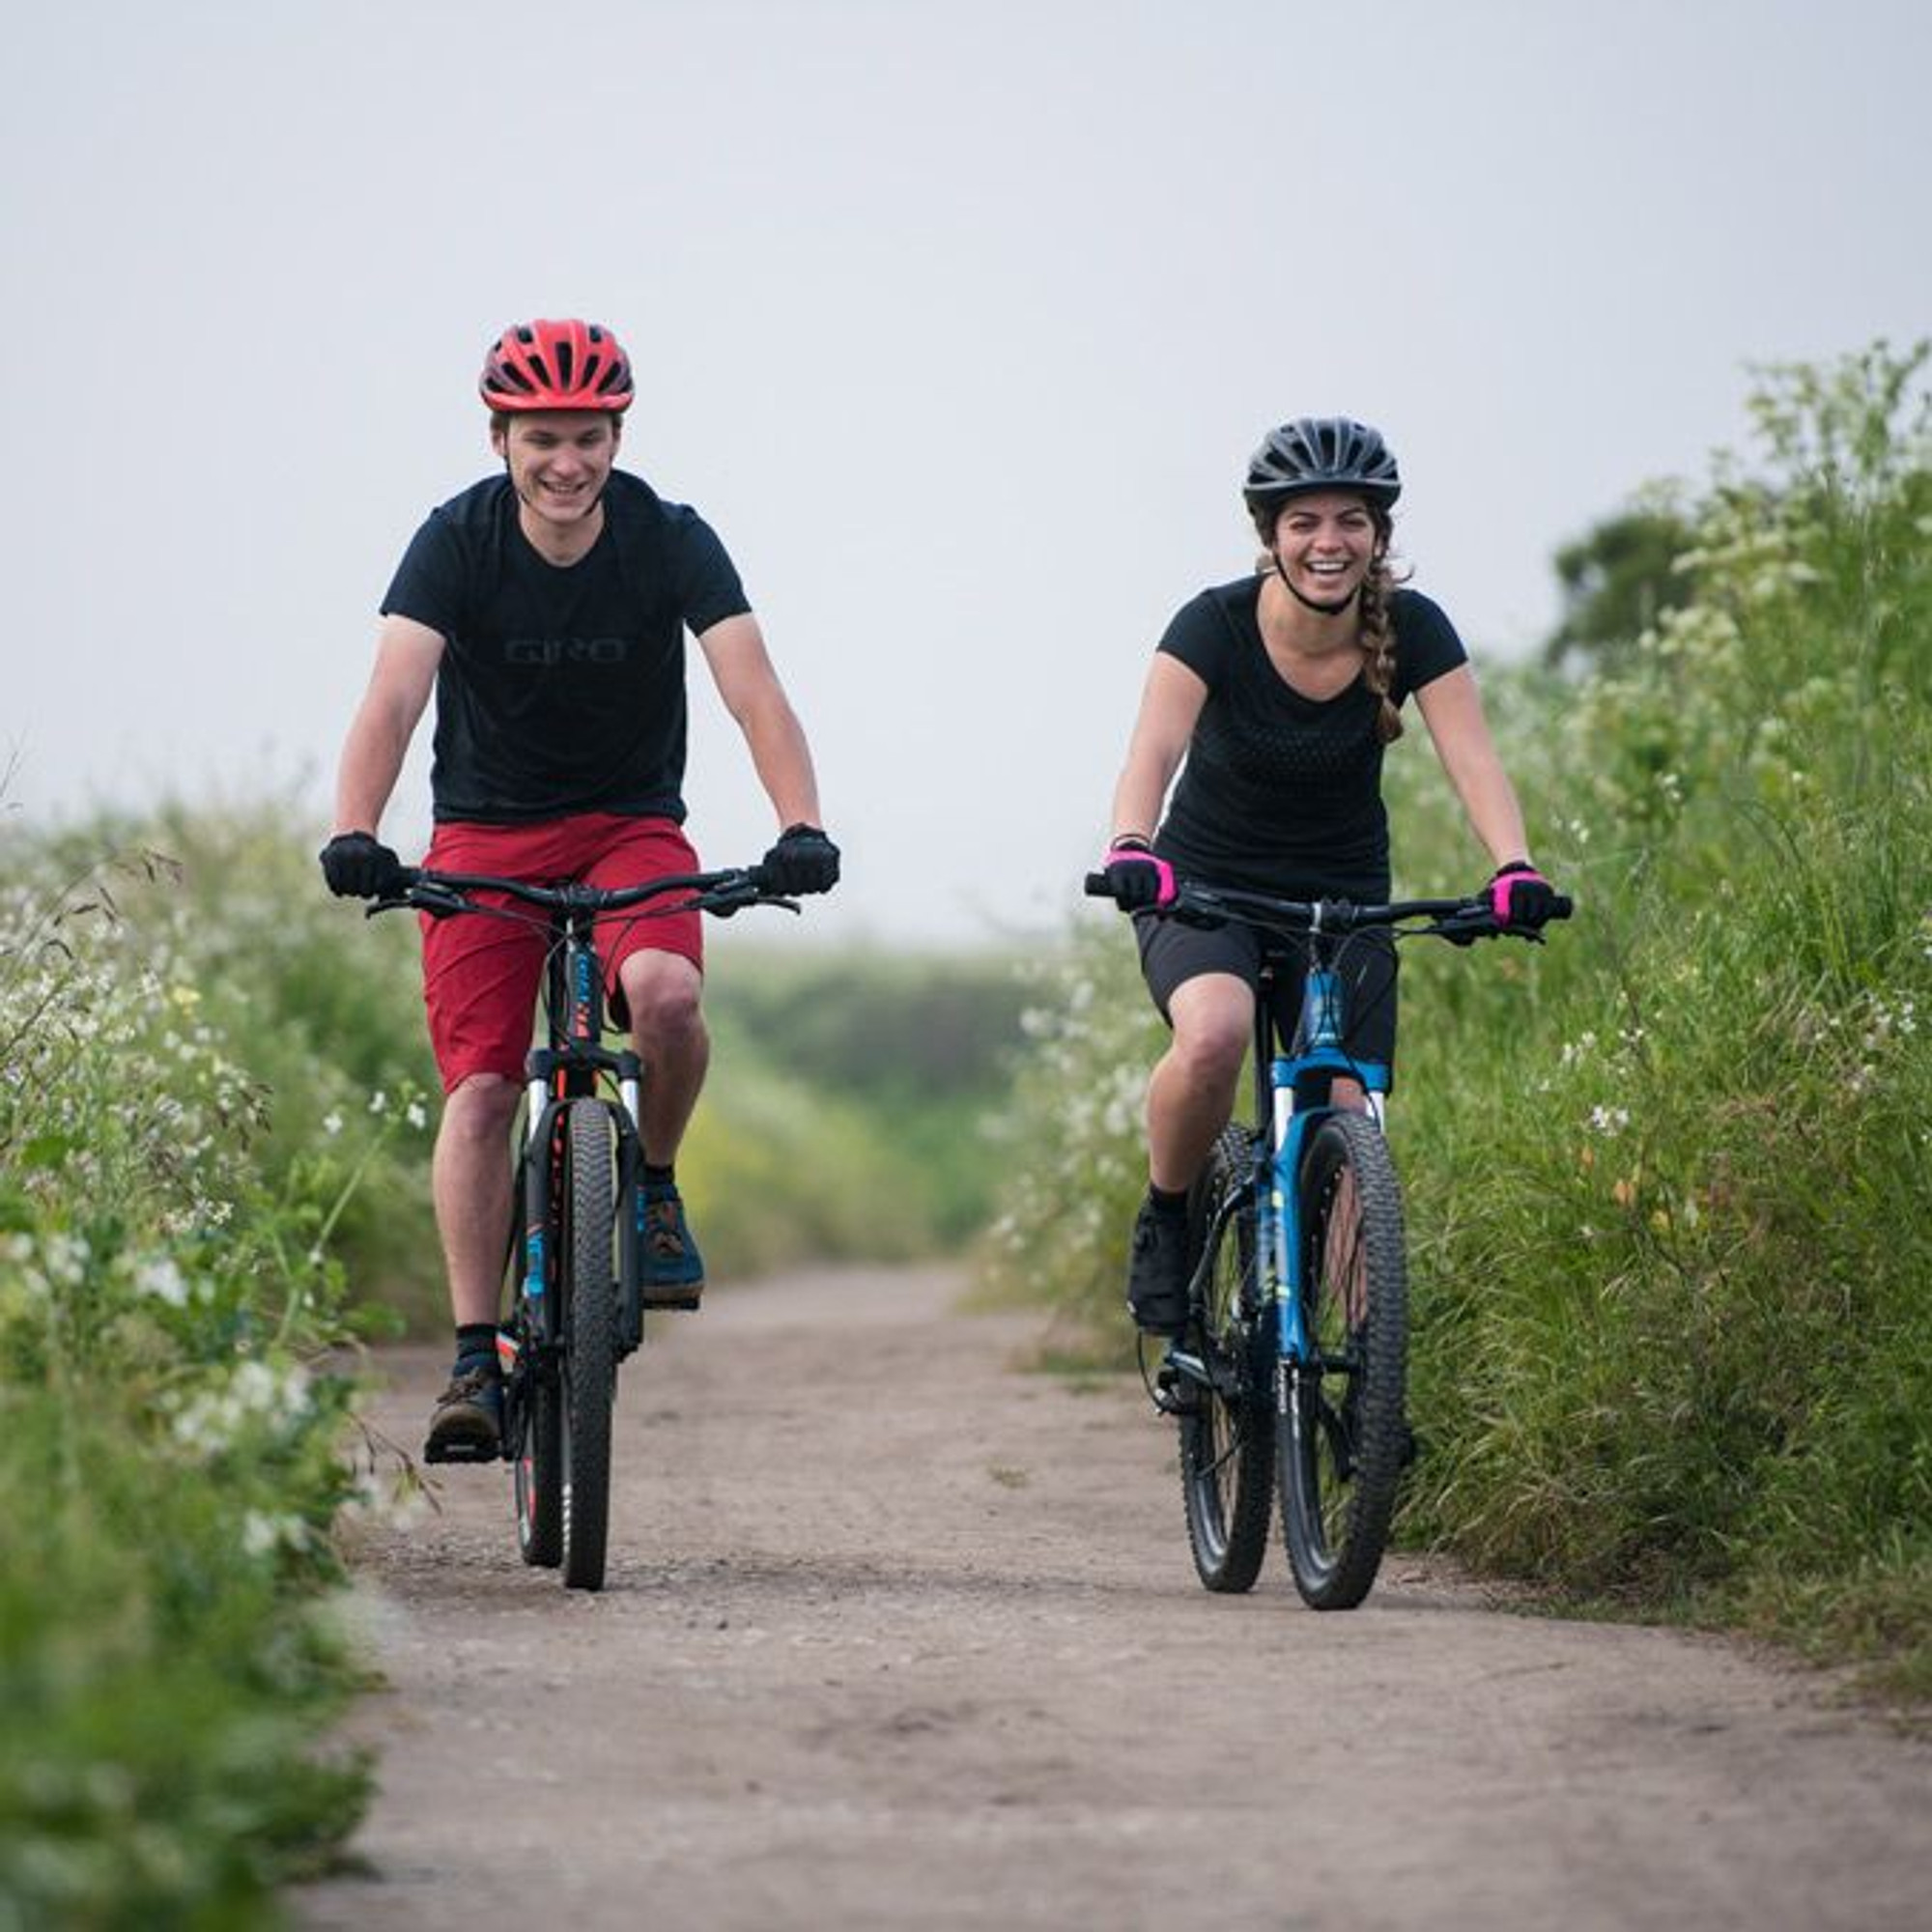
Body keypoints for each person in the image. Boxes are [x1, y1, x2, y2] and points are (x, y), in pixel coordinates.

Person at [320, 317, 839, 1460]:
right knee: (484, 1094)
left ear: (618, 435)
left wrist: (799, 821)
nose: (568, 462)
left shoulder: (670, 538)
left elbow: (752, 687)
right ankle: (472, 1355)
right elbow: (394, 697)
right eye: (543, 437)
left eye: (589, 438)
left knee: (664, 996)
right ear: (499, 435)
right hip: (483, 838)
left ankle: (650, 1185)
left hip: (629, 827)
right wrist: (357, 828)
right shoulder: (453, 542)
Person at [1095, 415, 1559, 1337]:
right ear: (1269, 535)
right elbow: (1151, 750)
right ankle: (1170, 1214)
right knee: (1217, 1034)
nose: (1328, 542)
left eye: (1350, 520)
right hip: (1205, 886)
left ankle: (1369, 1393)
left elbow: (1473, 758)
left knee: (1348, 1106)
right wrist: (1132, 847)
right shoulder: (1213, 624)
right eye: (1304, 521)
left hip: (1342, 893)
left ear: (1379, 534)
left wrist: (1514, 865)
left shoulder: (1415, 629)